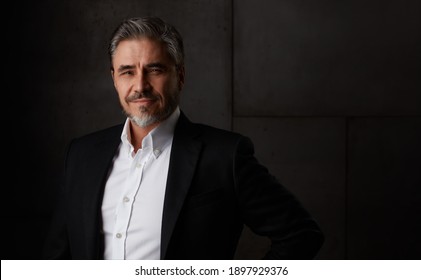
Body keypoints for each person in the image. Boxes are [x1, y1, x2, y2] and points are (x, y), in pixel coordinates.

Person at [43, 16, 324, 260]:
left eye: (155, 69)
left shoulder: (225, 156)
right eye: (127, 72)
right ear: (114, 79)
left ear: (180, 76)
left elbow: (301, 234)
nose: (140, 86)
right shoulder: (81, 155)